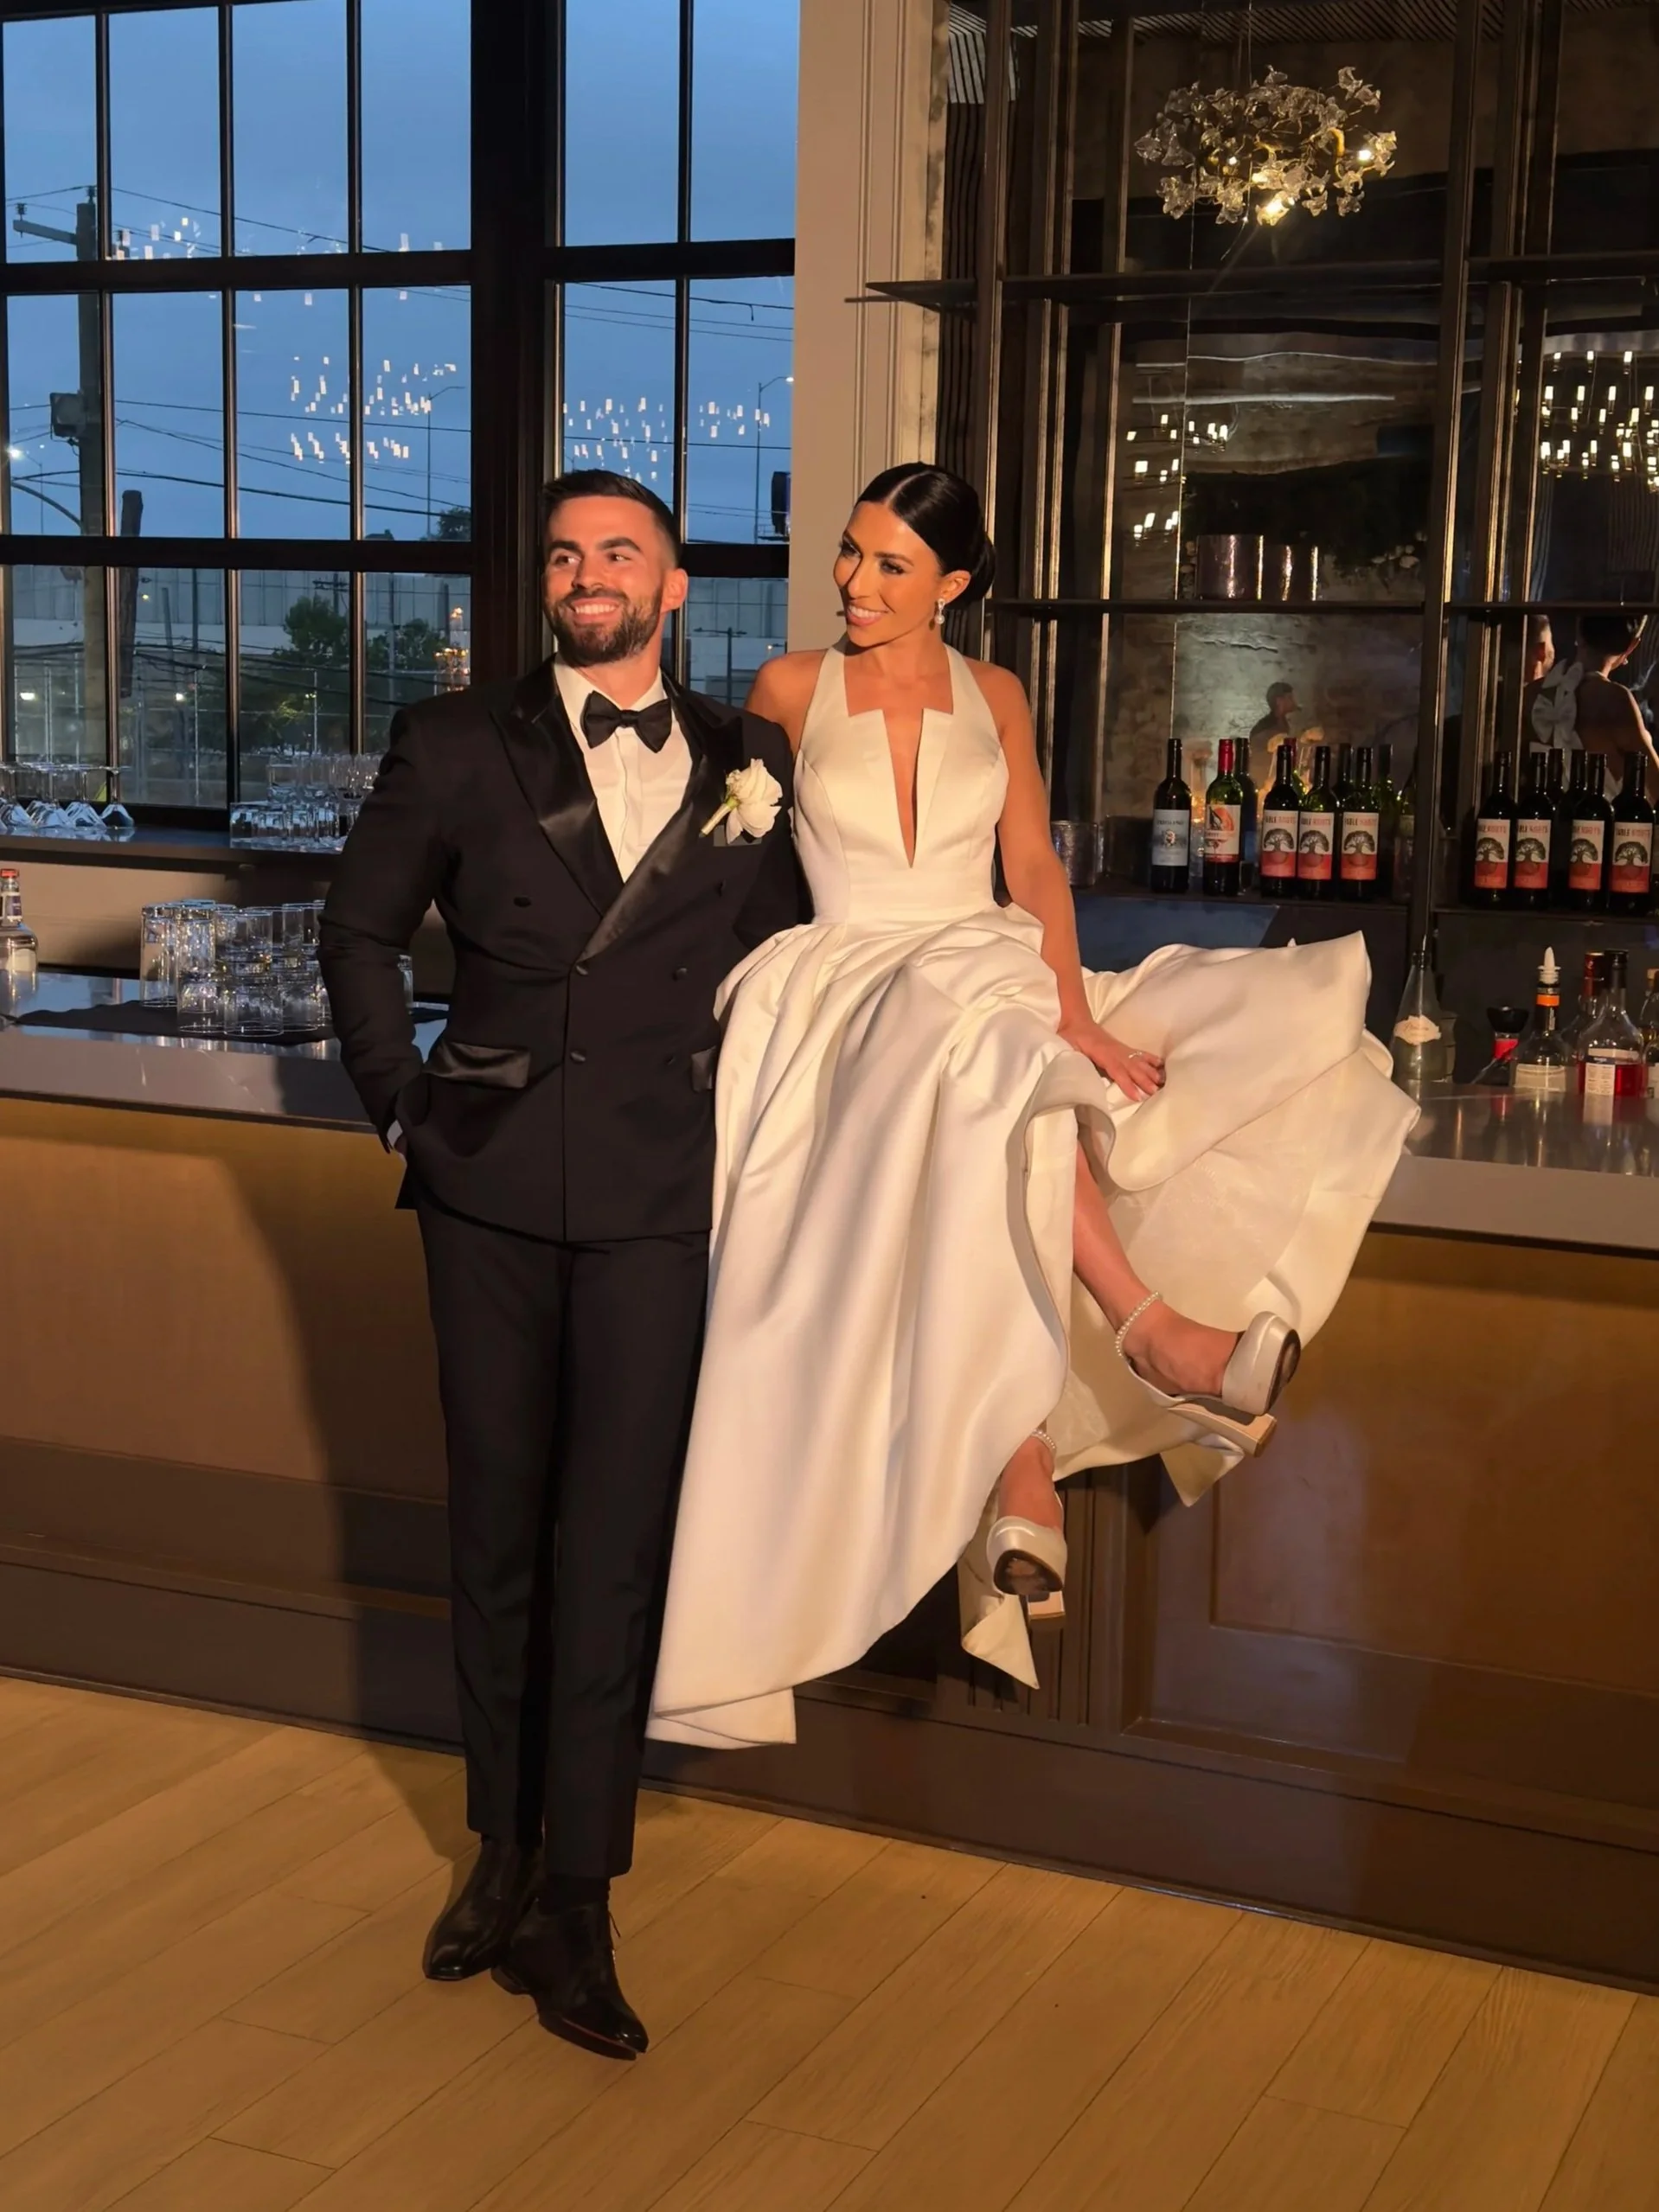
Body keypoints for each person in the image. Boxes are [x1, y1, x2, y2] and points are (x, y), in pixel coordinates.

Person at [647, 463, 1416, 1752]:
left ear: (950, 586)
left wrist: (1072, 1011)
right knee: (981, 1060)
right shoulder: (785, 688)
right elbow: (713, 858)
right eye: (849, 553)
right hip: (842, 971)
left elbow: (1031, 866)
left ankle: (1031, 1446)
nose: (854, 582)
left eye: (890, 565)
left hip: (980, 959)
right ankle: (1144, 1339)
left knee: (1048, 1050)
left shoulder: (993, 693)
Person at [319, 470, 803, 2059]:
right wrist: (404, 1108)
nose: (586, 573)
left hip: (665, 1201)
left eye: (620, 552)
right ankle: (500, 1848)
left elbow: (805, 975)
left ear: (674, 586)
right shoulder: (457, 739)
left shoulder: (751, 763)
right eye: (564, 553)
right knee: (497, 1541)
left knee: (611, 1555)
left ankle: (579, 1903)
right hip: (490, 1190)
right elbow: (359, 930)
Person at [1528, 613, 1659, 773]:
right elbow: (1654, 783)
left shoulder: (1530, 694)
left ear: (1578, 631)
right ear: (1632, 646)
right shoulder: (1617, 701)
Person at [1247, 680, 1299, 787]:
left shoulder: (1287, 723)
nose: (1294, 702)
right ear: (1279, 701)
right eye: (1290, 698)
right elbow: (1259, 761)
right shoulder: (1264, 728)